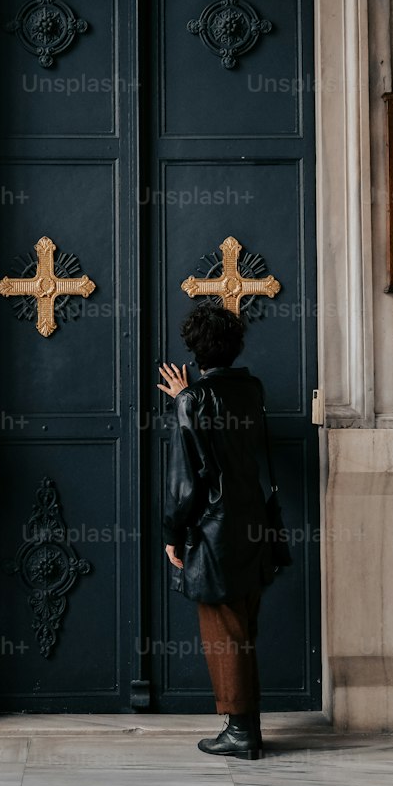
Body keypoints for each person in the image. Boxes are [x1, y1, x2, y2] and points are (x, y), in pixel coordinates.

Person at [158, 306, 275, 761]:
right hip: (253, 526)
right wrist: (192, 399)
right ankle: (246, 725)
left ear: (194, 349)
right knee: (242, 628)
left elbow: (186, 480)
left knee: (222, 633)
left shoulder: (194, 401)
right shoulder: (251, 389)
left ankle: (240, 732)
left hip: (214, 533)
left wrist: (173, 532)